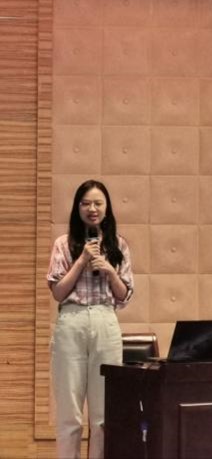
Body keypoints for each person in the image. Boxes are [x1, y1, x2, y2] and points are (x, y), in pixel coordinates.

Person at [47, 179, 134, 459]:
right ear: (77, 208)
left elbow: (124, 296)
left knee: (104, 414)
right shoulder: (63, 244)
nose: (92, 209)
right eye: (86, 203)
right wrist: (82, 260)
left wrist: (110, 270)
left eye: (98, 203)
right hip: (71, 321)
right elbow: (58, 292)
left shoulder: (119, 245)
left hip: (105, 320)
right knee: (69, 414)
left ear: (107, 208)